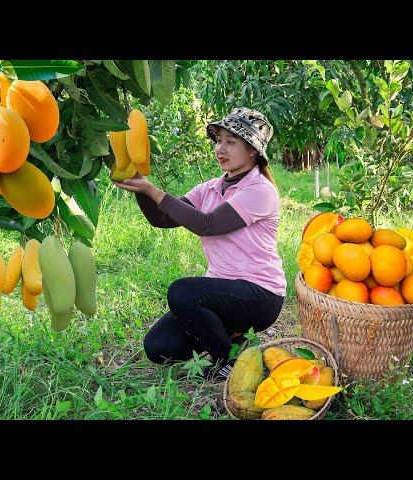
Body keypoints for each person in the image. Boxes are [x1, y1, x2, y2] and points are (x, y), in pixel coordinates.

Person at [112, 107, 286, 380]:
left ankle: (226, 360)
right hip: (223, 293)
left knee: (182, 292)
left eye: (231, 142)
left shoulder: (260, 191)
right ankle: (232, 339)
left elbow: (208, 225)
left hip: (260, 295)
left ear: (252, 150)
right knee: (159, 347)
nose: (220, 149)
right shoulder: (211, 188)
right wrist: (141, 187)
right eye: (219, 141)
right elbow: (162, 218)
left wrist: (155, 192)